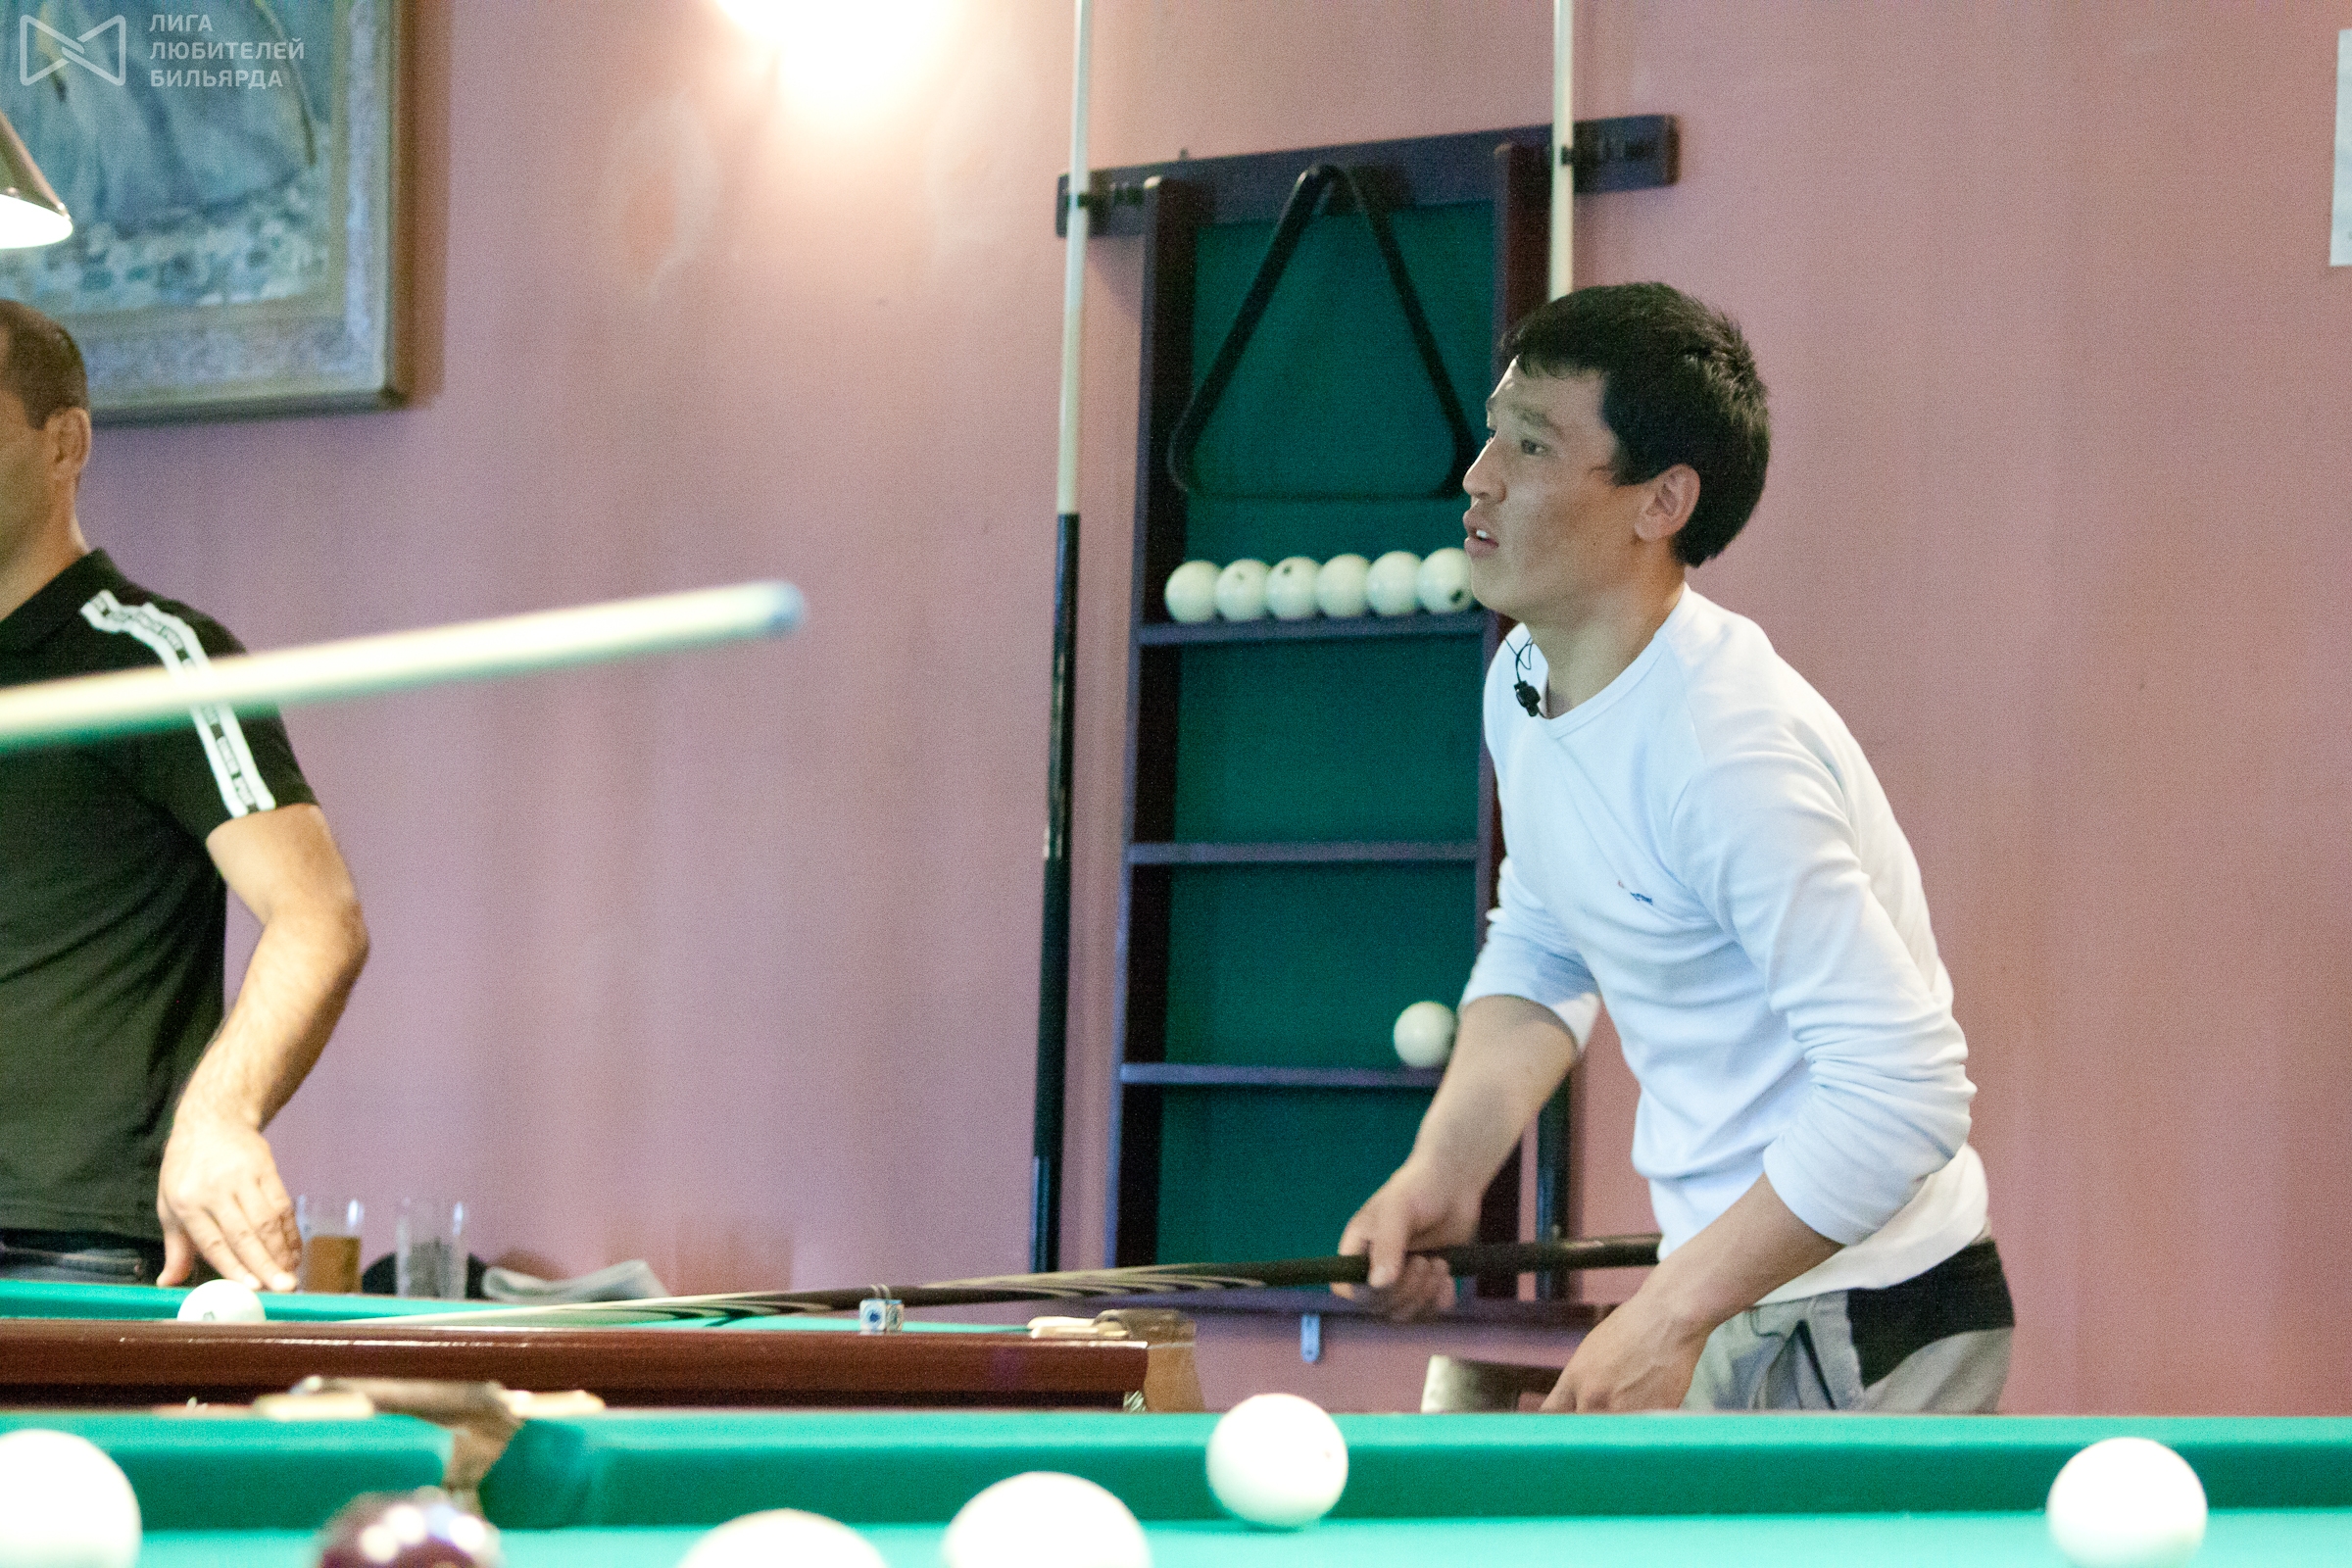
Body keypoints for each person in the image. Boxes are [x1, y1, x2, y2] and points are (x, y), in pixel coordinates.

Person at [1339, 282, 2013, 1413]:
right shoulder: (1524, 681)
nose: (1479, 477)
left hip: (1872, 1315)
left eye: (1532, 445)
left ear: (1661, 501)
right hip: (1730, 1289)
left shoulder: (1727, 751)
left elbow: (1903, 1093)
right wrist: (1444, 1171)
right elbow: (1546, 942)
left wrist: (1669, 1312)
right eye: (1494, 434)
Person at [0, 300, 368, 1293]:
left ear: (64, 442)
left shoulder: (158, 663)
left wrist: (219, 1116)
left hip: (66, 1252)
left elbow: (318, 916)